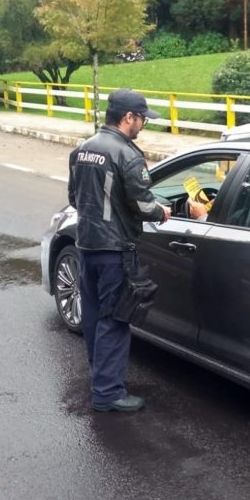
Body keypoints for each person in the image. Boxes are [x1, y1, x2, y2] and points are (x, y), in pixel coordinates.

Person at [68, 88, 171, 413]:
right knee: (115, 319)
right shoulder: (127, 155)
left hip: (87, 245)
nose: (143, 125)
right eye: (142, 119)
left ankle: (99, 379)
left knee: (94, 315)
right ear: (129, 117)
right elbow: (142, 204)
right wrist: (162, 212)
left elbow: (74, 198)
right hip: (116, 251)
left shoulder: (83, 149)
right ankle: (108, 393)